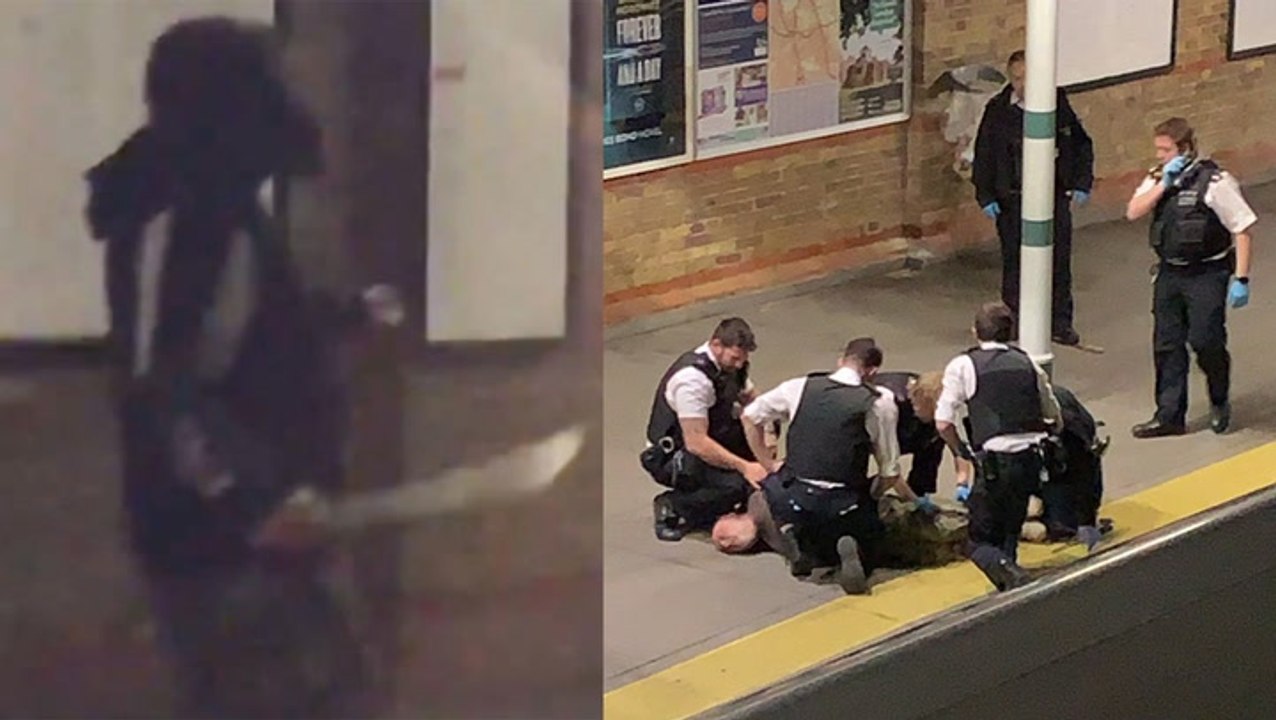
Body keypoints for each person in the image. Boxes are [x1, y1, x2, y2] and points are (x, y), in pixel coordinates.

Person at [84, 18, 375, 718]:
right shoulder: (186, 214)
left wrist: (333, 317)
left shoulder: (217, 206)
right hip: (221, 546)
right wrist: (252, 501)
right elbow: (167, 388)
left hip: (250, 536)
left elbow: (234, 333)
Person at [733, 338, 923, 594]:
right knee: (871, 523)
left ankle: (798, 544)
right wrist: (870, 497)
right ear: (873, 371)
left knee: (760, 499)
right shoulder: (880, 402)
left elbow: (749, 416)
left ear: (841, 361)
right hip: (845, 501)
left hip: (795, 495)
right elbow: (889, 472)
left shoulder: (799, 387)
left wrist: (767, 464)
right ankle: (853, 549)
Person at [1124, 117, 1258, 438]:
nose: (1160, 156)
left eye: (1166, 150)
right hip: (1170, 271)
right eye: (1158, 149)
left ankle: (1219, 397)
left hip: (1207, 273)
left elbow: (1242, 230)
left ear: (1184, 149)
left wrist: (1241, 278)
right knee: (1167, 345)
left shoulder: (1215, 182)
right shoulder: (1159, 178)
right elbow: (1133, 211)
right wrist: (1163, 185)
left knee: (1205, 340)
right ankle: (1169, 415)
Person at [935, 302, 1063, 591]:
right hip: (1031, 459)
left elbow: (943, 421)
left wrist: (960, 451)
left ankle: (1010, 575)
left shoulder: (964, 365)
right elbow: (1051, 409)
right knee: (1010, 527)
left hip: (995, 462)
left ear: (974, 331)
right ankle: (1011, 581)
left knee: (977, 539)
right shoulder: (1025, 361)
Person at [972, 49, 1095, 347]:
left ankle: (1060, 323)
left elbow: (1080, 144)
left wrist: (1080, 182)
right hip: (1011, 200)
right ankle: (1012, 322)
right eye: (1017, 78)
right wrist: (985, 194)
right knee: (1014, 264)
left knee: (1058, 262)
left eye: (1029, 77)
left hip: (1051, 198)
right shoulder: (998, 109)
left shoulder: (1057, 103)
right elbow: (984, 154)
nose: (1023, 85)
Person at [641, 317, 767, 541]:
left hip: (711, 434)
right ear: (716, 345)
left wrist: (767, 441)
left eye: (743, 359)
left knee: (758, 431)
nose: (739, 364)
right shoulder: (692, 380)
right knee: (736, 484)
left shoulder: (730, 367)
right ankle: (674, 505)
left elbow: (755, 402)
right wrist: (746, 466)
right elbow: (696, 442)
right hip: (675, 456)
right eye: (735, 358)